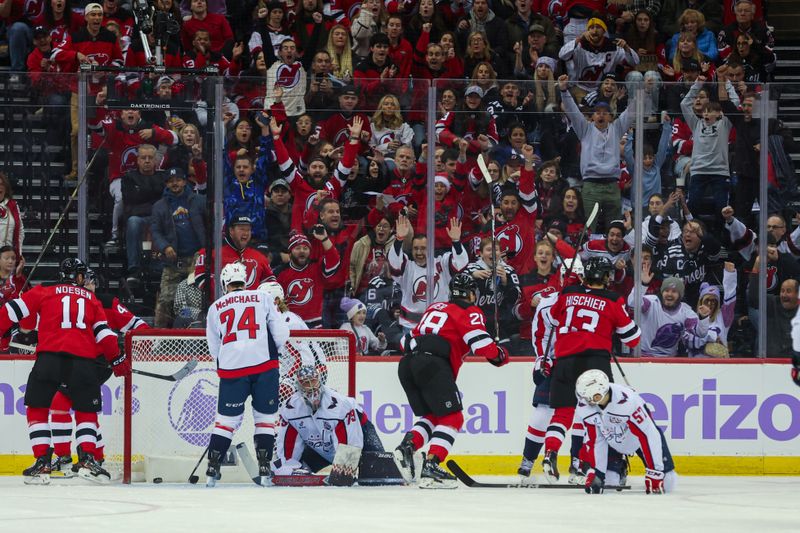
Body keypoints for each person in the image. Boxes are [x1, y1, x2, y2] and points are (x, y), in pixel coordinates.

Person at [0, 258, 126, 484]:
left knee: (37, 408)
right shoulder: (92, 299)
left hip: (50, 358)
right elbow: (105, 335)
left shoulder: (44, 291)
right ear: (78, 277)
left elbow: (10, 311)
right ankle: (87, 459)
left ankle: (42, 463)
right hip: (84, 361)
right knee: (86, 411)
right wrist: (117, 359)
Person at [393, 274, 509, 488]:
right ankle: (432, 465)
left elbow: (403, 342)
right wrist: (500, 354)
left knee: (432, 416)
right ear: (472, 294)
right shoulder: (470, 311)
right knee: (453, 418)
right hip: (433, 365)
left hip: (407, 364)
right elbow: (480, 345)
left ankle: (407, 447)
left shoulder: (436, 307)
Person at [542, 256, 641, 483]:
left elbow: (551, 318)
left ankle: (550, 454)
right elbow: (633, 338)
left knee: (562, 414)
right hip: (595, 363)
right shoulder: (613, 299)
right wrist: (609, 329)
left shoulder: (567, 293)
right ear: (606, 277)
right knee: (602, 415)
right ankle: (589, 464)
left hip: (564, 361)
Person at [46, 267, 148, 477]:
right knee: (75, 407)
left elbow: (138, 326)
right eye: (86, 281)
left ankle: (76, 457)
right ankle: (92, 455)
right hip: (75, 361)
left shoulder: (107, 302)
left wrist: (133, 350)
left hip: (97, 364)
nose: (89, 286)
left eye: (92, 282)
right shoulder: (69, 302)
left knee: (63, 403)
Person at [204, 262, 291, 487]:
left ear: (225, 284)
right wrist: (269, 351)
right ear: (246, 281)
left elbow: (214, 346)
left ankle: (212, 471)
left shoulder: (215, 307)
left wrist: (230, 359)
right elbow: (281, 332)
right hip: (264, 366)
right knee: (265, 419)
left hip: (232, 369)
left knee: (225, 422)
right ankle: (264, 470)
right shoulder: (262, 298)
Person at [518, 257, 587, 484]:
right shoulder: (549, 303)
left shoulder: (587, 302)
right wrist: (542, 360)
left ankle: (576, 463)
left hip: (579, 363)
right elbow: (540, 336)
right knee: (545, 411)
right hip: (561, 362)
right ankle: (528, 462)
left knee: (581, 413)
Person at [274, 365, 392, 484]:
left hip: (361, 432)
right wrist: (288, 466)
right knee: (288, 468)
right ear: (299, 386)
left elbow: (351, 438)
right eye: (306, 383)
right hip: (322, 447)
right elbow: (288, 445)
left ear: (319, 380)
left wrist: (345, 469)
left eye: (313, 381)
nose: (311, 387)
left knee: (381, 473)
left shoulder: (340, 405)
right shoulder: (290, 408)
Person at [575, 370, 677, 494]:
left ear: (597, 396)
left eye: (586, 398)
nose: (583, 401)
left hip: (639, 440)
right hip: (612, 441)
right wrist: (597, 473)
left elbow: (648, 434)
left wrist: (655, 472)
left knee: (668, 483)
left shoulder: (628, 402)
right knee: (610, 483)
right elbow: (596, 440)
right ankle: (619, 468)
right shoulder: (584, 407)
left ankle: (656, 469)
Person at [558, 74, 634, 233]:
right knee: (589, 227)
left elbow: (630, 113)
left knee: (614, 228)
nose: (601, 114)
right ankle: (586, 254)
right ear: (592, 116)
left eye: (605, 112)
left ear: (611, 116)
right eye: (597, 112)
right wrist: (564, 91)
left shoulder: (617, 128)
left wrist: (645, 92)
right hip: (591, 185)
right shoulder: (585, 129)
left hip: (612, 186)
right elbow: (572, 111)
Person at [388, 214, 468, 331]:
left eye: (423, 248)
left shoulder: (442, 263)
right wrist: (399, 239)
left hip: (439, 325)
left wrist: (456, 241)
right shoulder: (407, 267)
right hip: (411, 326)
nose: (419, 252)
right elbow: (394, 262)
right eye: (416, 248)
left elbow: (461, 263)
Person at [150, 167, 206, 327]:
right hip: (173, 262)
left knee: (196, 298)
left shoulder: (198, 201)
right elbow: (155, 231)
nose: (175, 183)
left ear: (184, 181)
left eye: (178, 180)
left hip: (197, 259)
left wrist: (206, 250)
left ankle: (197, 332)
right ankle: (158, 339)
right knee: (165, 300)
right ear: (166, 183)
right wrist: (165, 246)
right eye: (171, 181)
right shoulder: (159, 206)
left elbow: (210, 226)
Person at [629, 276, 711, 357]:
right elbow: (632, 303)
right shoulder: (651, 303)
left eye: (674, 291)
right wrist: (643, 284)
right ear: (662, 292)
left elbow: (700, 333)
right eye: (666, 290)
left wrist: (703, 318)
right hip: (642, 356)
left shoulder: (686, 312)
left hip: (668, 359)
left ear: (680, 295)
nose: (669, 294)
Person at [274, 230, 341, 329]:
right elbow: (275, 296)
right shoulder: (280, 272)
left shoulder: (317, 267)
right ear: (290, 252)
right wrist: (287, 315)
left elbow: (334, 259)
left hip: (315, 324)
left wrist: (325, 239)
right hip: (290, 324)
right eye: (297, 248)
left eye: (305, 248)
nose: (302, 251)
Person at [193, 216, 277, 294]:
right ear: (231, 231)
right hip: (223, 307)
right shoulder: (211, 252)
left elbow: (271, 283)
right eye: (242, 229)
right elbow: (200, 279)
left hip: (253, 308)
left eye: (248, 230)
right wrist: (225, 293)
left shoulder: (259, 256)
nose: (246, 233)